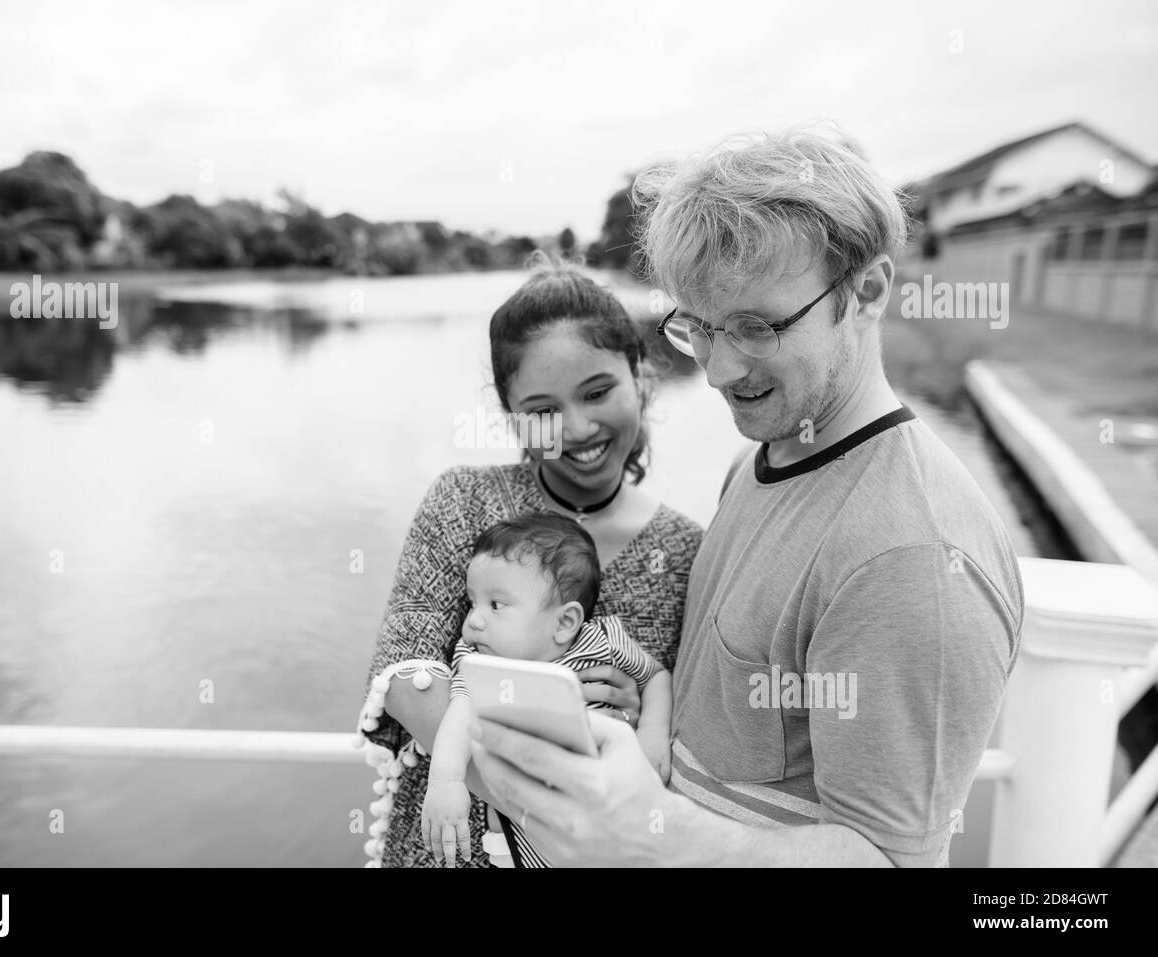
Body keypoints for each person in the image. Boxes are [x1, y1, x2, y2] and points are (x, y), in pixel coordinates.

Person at [468, 126, 1025, 867]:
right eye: (699, 328)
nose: (720, 369)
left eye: (757, 327)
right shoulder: (759, 457)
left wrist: (652, 830)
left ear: (867, 291)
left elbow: (890, 861)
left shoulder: (913, 555)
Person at [361, 254, 703, 868]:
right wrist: (559, 816)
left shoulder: (684, 549)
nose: (576, 428)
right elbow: (407, 682)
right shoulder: (463, 502)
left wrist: (650, 725)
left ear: (640, 376)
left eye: (598, 392)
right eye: (543, 409)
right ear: (511, 413)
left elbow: (690, 720)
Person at [422, 512, 671, 868]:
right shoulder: (483, 663)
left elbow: (656, 676)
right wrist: (446, 780)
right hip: (518, 846)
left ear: (565, 622)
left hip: (609, 834)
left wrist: (652, 733)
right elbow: (460, 711)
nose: (473, 620)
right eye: (471, 602)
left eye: (496, 605)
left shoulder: (602, 641)